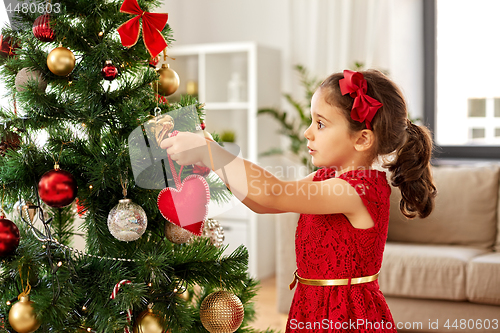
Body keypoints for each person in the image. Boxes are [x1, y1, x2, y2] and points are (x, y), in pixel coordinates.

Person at [161, 69, 437, 332]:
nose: (308, 132)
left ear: (363, 139)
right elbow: (264, 203)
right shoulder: (325, 177)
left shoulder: (359, 191)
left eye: (320, 123)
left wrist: (211, 153)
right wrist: (212, 159)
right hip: (311, 305)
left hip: (345, 317)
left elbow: (274, 192)